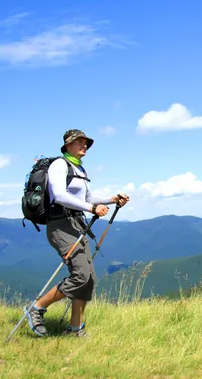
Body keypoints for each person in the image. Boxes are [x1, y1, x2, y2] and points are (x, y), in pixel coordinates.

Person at [25, 129, 129, 337]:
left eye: (85, 142)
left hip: (76, 224)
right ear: (68, 145)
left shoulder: (79, 169)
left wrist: (112, 199)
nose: (84, 145)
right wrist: (91, 210)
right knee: (80, 274)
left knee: (88, 278)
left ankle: (75, 329)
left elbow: (89, 199)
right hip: (60, 225)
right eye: (79, 142)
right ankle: (36, 308)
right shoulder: (59, 165)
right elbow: (59, 196)